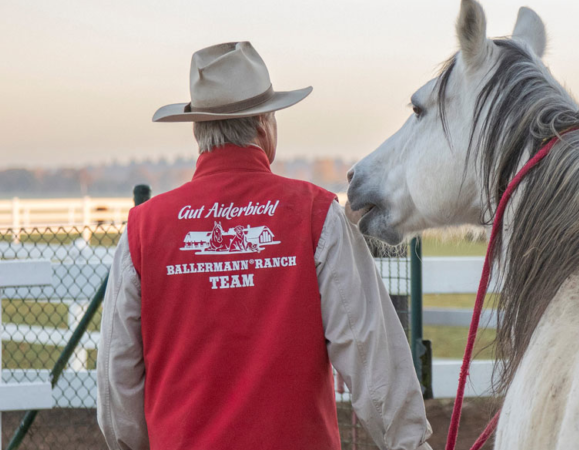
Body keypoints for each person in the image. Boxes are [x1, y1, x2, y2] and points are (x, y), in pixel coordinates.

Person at [97, 41, 432, 450]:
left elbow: (118, 383)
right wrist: (409, 443)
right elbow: (371, 358)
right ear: (264, 123)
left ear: (196, 130)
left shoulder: (144, 230)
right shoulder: (315, 215)